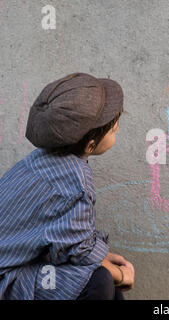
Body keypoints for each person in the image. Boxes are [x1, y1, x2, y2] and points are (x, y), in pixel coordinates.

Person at [0, 72, 134, 300]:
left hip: (21, 263)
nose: (117, 130)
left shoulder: (39, 160)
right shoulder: (75, 181)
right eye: (113, 129)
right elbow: (80, 252)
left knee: (109, 289)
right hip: (10, 279)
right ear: (90, 145)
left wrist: (102, 256)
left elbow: (66, 240)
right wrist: (121, 275)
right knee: (99, 281)